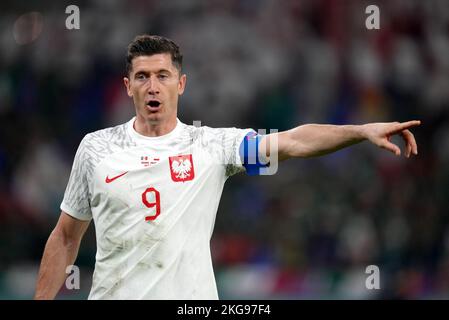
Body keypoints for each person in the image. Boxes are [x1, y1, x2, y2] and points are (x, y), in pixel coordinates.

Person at [34, 34, 420, 300]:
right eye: (143, 77)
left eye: (162, 76)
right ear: (127, 86)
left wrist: (360, 130)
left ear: (180, 84)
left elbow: (293, 141)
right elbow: (67, 237)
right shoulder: (96, 148)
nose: (153, 86)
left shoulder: (212, 145)